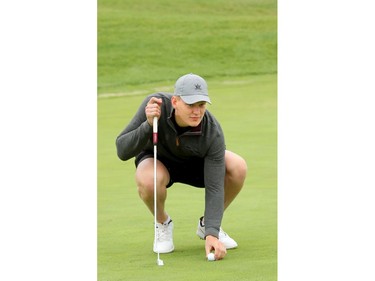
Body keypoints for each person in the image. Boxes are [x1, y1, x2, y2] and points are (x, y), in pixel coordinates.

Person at [116, 73, 247, 260]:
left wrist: (212, 232)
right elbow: (122, 151)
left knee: (237, 166)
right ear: (175, 101)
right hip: (158, 163)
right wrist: (147, 124)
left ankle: (206, 226)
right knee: (148, 179)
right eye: (190, 105)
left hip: (195, 166)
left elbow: (215, 186)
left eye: (201, 105)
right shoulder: (155, 105)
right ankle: (162, 223)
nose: (196, 111)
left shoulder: (212, 131)